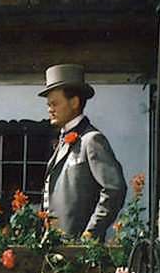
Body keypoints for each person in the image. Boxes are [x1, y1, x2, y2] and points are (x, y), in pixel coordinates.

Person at [39, 64, 126, 241]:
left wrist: (90, 234)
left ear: (74, 102)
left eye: (54, 103)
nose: (49, 109)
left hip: (78, 252)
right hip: (55, 248)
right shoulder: (63, 141)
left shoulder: (91, 140)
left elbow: (114, 189)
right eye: (48, 104)